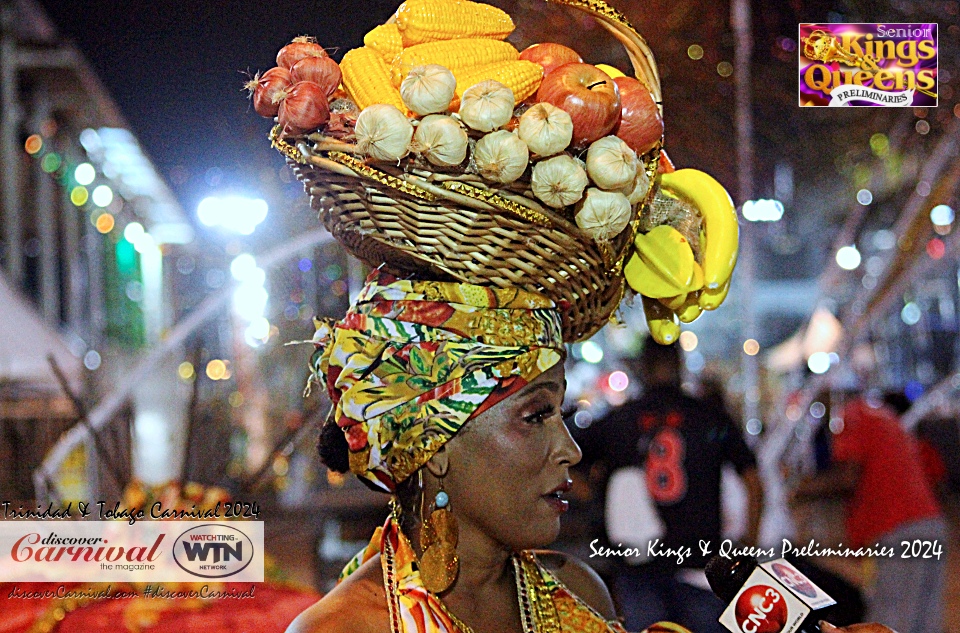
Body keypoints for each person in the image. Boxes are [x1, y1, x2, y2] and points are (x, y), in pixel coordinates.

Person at [575, 336, 764, 633]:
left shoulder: (620, 420)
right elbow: (753, 480)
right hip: (701, 563)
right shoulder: (708, 417)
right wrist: (748, 546)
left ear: (643, 366)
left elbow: (571, 466)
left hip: (637, 563)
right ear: (679, 364)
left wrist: (597, 498)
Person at [791, 394, 948, 633]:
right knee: (923, 622)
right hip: (929, 524)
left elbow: (847, 477)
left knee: (888, 622)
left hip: (899, 530)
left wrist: (798, 490)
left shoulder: (851, 415)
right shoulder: (881, 415)